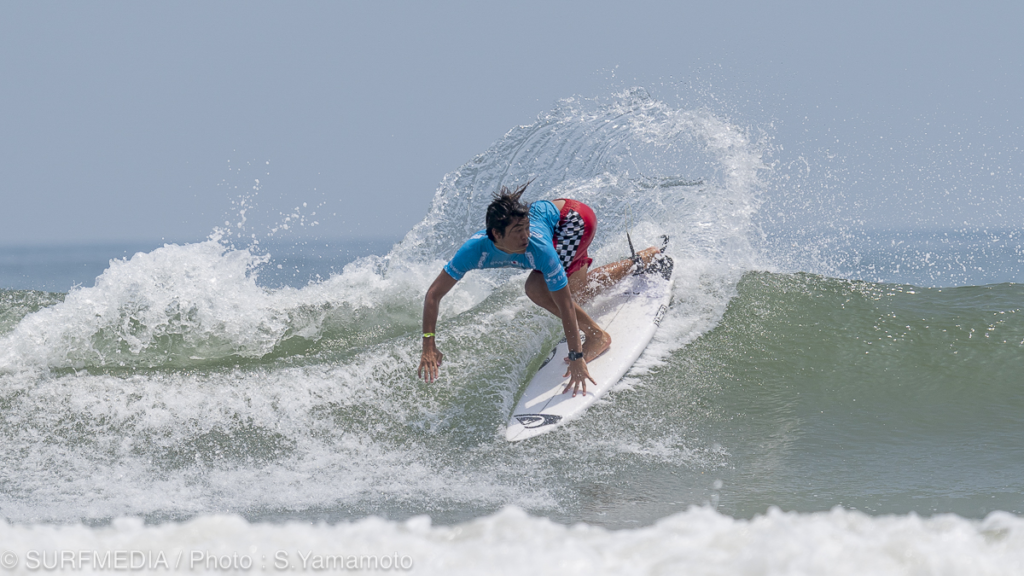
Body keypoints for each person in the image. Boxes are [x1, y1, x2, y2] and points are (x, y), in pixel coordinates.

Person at [417, 182, 661, 397]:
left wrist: (576, 357)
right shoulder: (473, 251)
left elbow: (564, 305)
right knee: (579, 294)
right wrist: (429, 345)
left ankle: (597, 336)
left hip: (574, 220)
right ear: (496, 234)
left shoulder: (539, 247)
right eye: (517, 231)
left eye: (526, 228)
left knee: (538, 288)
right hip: (557, 223)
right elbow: (434, 294)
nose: (525, 236)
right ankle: (641, 260)